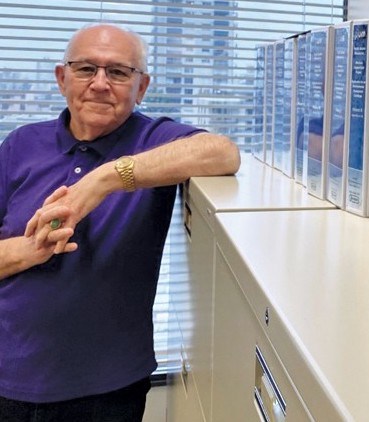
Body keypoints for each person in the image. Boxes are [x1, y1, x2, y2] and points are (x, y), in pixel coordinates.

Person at [0, 23, 241, 421]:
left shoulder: (153, 140)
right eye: (85, 69)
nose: (99, 83)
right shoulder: (21, 144)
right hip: (8, 378)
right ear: (62, 78)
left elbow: (222, 153)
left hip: (106, 391)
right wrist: (31, 250)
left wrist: (104, 180)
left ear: (141, 87)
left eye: (117, 72)